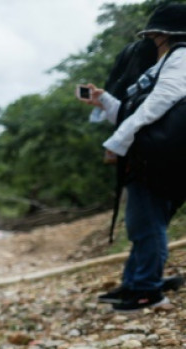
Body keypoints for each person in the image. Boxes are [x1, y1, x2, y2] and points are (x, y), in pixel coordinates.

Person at [79, 4, 186, 312]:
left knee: (146, 226)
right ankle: (136, 282)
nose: (149, 40)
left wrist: (118, 141)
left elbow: (159, 103)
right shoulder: (162, 63)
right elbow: (135, 110)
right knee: (146, 224)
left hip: (153, 158)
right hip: (149, 155)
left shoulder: (180, 58)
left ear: (162, 35)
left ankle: (147, 291)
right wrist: (104, 102)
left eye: (153, 35)